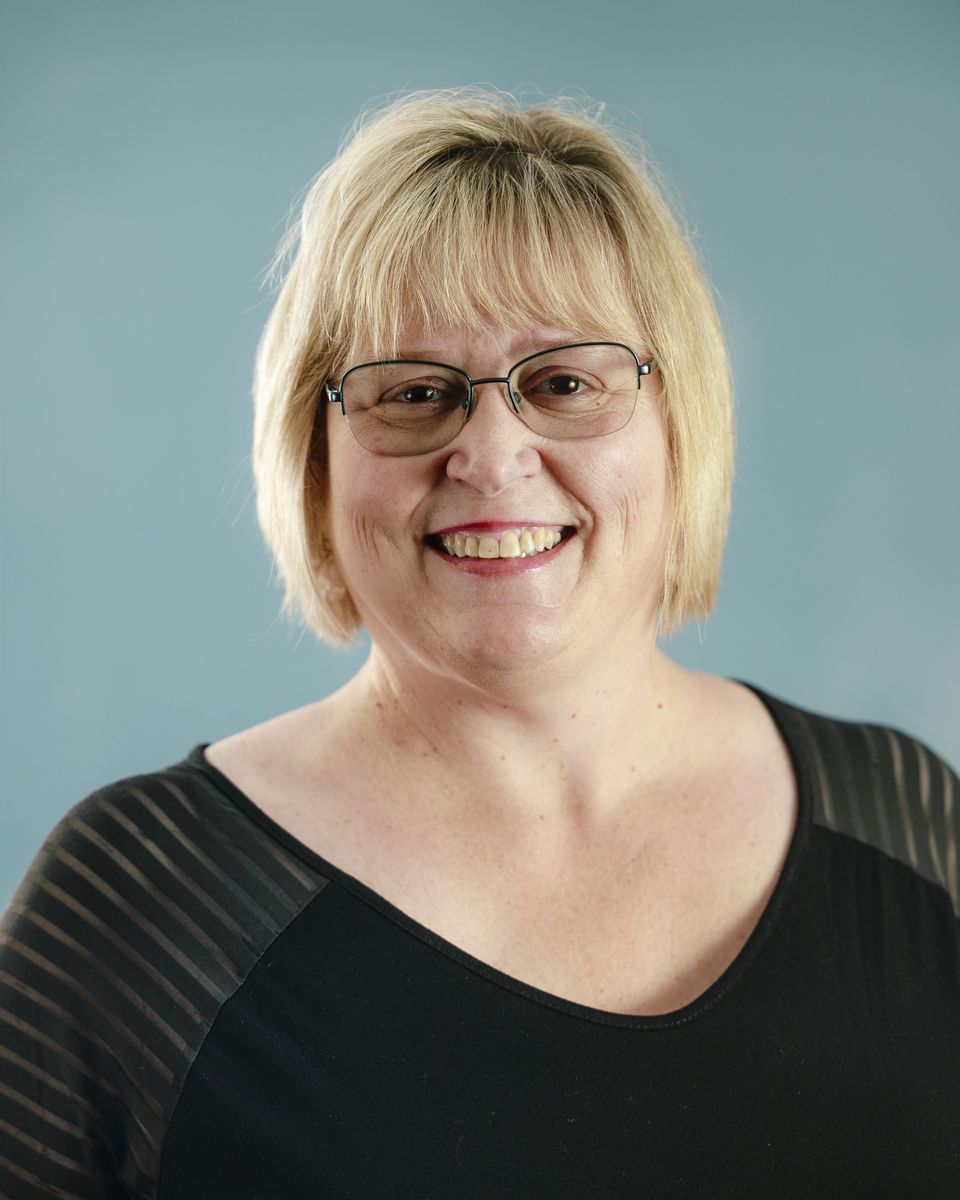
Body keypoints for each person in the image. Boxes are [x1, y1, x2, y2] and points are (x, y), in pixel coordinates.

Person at [1, 87, 957, 1199]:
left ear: (681, 427)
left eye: (565, 382)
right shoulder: (142, 907)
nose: (492, 457)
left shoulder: (904, 822)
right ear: (314, 460)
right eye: (415, 392)